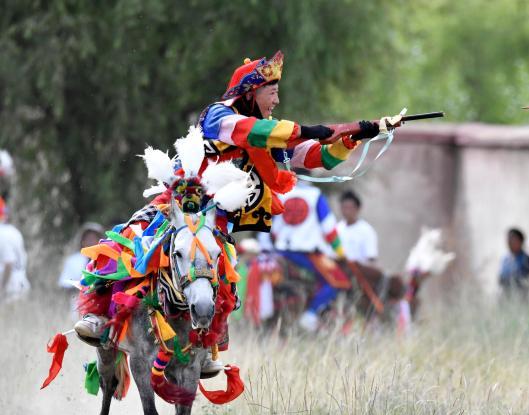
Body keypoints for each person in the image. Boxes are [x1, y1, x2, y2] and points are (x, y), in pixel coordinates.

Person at [73, 51, 378, 374]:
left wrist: (350, 138)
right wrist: (309, 128)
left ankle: (207, 342)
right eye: (272, 92)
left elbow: (314, 158)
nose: (276, 100)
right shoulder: (219, 115)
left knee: (225, 271)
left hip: (215, 218)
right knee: (132, 237)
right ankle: (101, 318)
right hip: (178, 204)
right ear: (251, 92)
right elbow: (249, 131)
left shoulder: (269, 130)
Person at [272, 170, 350, 332]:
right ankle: (311, 314)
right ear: (309, 173)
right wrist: (340, 252)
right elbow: (329, 228)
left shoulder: (280, 194)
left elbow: (272, 229)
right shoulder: (315, 195)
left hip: (280, 252)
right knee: (337, 280)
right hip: (306, 253)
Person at [0, 197, 30, 302]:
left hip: (9, 290)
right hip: (21, 283)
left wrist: (2, 289)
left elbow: (9, 263)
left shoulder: (2, 234)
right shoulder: (14, 231)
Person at [337, 190, 378, 265]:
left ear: (358, 209)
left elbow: (371, 258)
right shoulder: (337, 228)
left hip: (357, 273)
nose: (347, 212)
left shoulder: (366, 230)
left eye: (350, 208)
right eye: (344, 208)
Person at [58, 222, 103, 290]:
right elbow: (64, 283)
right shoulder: (72, 260)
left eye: (94, 238)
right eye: (88, 238)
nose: (91, 241)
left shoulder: (106, 260)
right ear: (82, 241)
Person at [498, 227, 529, 293]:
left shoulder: (526, 259)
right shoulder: (505, 259)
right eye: (508, 239)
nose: (509, 242)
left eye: (512, 239)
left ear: (520, 241)